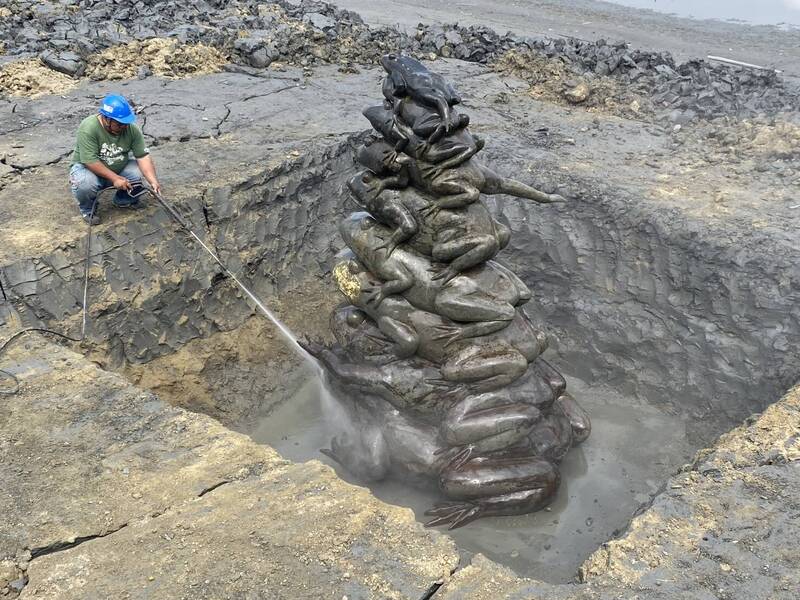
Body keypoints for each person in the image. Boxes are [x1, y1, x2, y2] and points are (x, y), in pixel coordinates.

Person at [69, 94, 161, 224]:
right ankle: (88, 209)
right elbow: (90, 161)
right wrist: (115, 179)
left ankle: (124, 200)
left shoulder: (131, 129)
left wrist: (153, 182)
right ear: (106, 119)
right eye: (119, 124)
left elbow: (143, 156)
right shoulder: (88, 128)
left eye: (125, 124)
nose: (124, 127)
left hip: (117, 167)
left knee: (138, 172)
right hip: (88, 170)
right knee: (85, 183)